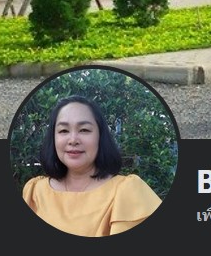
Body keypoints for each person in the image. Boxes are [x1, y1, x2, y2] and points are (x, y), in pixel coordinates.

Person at [21, 95, 162, 237]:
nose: (73, 140)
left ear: (100, 137)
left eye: (84, 130)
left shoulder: (127, 192)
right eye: (63, 131)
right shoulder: (34, 192)